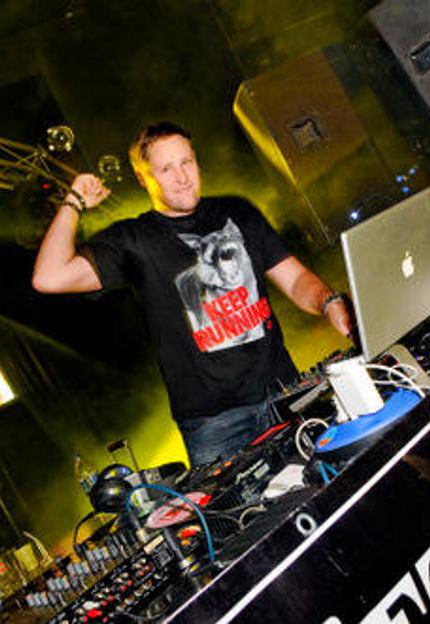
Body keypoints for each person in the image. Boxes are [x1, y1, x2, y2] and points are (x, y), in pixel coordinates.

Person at [32, 121, 352, 465]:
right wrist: (75, 201)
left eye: (187, 162)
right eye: (166, 169)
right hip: (216, 425)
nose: (182, 177)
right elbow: (49, 277)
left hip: (285, 391)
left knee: (329, 475)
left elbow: (295, 278)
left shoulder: (237, 212)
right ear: (144, 178)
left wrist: (328, 301)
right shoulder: (133, 240)